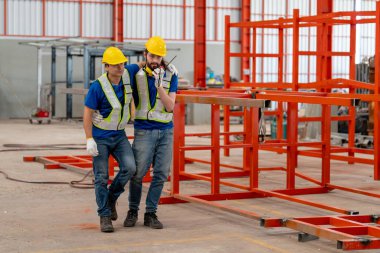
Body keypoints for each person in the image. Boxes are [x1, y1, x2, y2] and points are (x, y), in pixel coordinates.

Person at [123, 36, 178, 229]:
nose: (155, 60)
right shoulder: (134, 72)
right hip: (144, 131)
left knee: (161, 174)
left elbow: (170, 106)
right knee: (137, 174)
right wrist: (140, 66)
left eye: (159, 56)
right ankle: (132, 211)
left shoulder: (171, 74)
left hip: (166, 131)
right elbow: (117, 74)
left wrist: (160, 86)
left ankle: (150, 213)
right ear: (146, 54)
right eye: (152, 55)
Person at [83, 46, 136, 233]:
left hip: (119, 136)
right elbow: (88, 113)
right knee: (101, 177)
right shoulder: (97, 87)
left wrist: (164, 66)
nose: (120, 67)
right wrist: (89, 138)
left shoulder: (127, 77)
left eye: (122, 63)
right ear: (106, 66)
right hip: (101, 137)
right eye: (115, 65)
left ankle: (111, 197)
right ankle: (105, 215)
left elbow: (145, 63)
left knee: (130, 167)